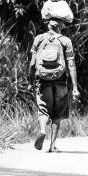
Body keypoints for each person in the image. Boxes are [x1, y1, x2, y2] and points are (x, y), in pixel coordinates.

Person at [29, 19, 80, 152]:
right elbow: (71, 64)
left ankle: (42, 130)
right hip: (60, 81)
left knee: (43, 111)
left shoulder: (39, 39)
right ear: (61, 27)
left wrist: (31, 81)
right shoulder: (65, 41)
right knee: (57, 114)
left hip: (43, 80)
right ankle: (52, 145)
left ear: (48, 25)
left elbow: (32, 64)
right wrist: (75, 88)